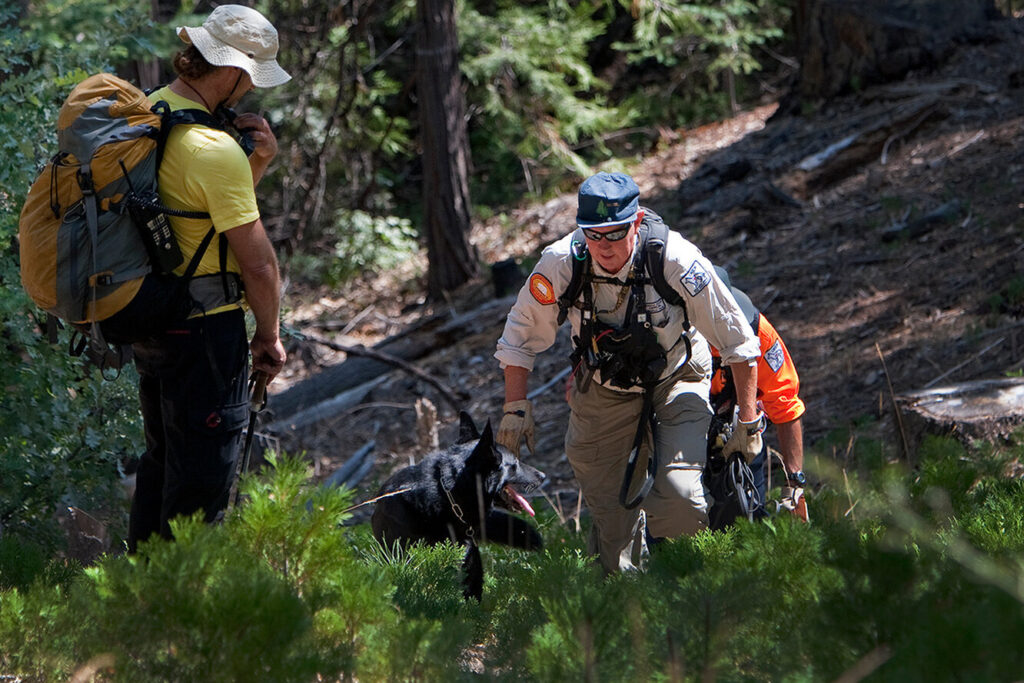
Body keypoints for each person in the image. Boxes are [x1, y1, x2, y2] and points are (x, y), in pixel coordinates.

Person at [494, 172, 763, 573]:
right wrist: (515, 408)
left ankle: (689, 585)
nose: (604, 245)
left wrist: (748, 422)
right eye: (594, 234)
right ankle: (626, 602)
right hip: (604, 383)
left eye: (616, 233)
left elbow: (739, 343)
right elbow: (518, 338)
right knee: (611, 514)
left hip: (678, 374)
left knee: (679, 498)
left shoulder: (674, 259)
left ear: (636, 223)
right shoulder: (561, 263)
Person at [100, 5, 289, 552]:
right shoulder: (213, 149)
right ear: (231, 71)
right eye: (250, 76)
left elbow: (194, 213)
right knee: (202, 485)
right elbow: (257, 263)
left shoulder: (153, 111)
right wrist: (270, 335)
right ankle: (188, 623)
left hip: (154, 319)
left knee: (161, 466)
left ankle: (141, 604)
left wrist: (259, 164)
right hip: (206, 332)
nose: (251, 89)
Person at [709, 266, 808, 522]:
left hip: (741, 445)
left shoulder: (756, 330)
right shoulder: (673, 330)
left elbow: (784, 403)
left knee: (745, 527)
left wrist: (794, 485)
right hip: (678, 441)